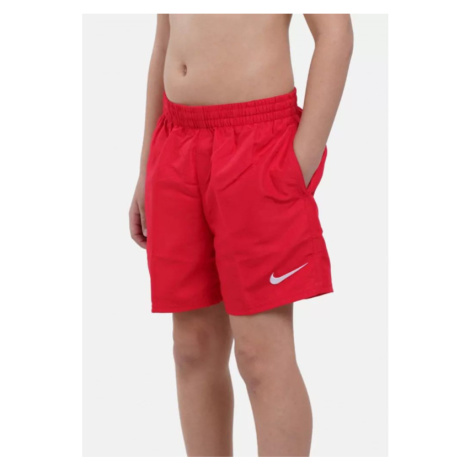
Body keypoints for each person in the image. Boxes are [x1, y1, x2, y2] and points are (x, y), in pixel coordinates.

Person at [129, 14, 353, 457]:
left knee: (260, 355)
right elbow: (164, 40)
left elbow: (336, 33)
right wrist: (146, 166)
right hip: (176, 143)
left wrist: (299, 163)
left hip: (256, 145)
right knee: (192, 347)